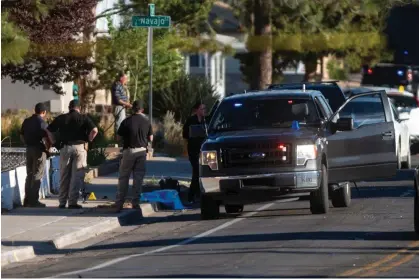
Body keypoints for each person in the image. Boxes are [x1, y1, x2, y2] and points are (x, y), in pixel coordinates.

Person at [47, 100, 98, 209]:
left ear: (69, 107)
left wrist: (54, 142)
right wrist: (89, 139)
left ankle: (62, 202)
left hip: (65, 148)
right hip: (80, 148)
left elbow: (49, 130)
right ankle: (72, 202)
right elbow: (94, 130)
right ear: (79, 108)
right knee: (77, 176)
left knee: (64, 175)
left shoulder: (62, 118)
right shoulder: (84, 118)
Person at [113, 100, 153, 212]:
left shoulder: (126, 121)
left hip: (129, 151)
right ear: (142, 110)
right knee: (138, 178)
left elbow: (118, 137)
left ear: (132, 109)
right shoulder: (147, 122)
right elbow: (151, 138)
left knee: (123, 177)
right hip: (141, 152)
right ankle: (135, 202)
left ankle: (119, 203)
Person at [20, 103, 54, 207]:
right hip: (39, 150)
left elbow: (21, 135)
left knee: (29, 174)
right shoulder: (42, 123)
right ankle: (34, 200)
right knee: (37, 175)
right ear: (43, 112)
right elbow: (48, 138)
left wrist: (26, 143)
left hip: (28, 149)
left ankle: (27, 200)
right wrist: (49, 149)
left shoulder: (26, 121)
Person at [182, 102, 207, 203]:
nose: (204, 110)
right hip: (193, 150)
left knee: (202, 172)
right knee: (197, 171)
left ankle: (198, 193)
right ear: (196, 110)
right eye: (202, 109)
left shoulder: (207, 120)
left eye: (205, 108)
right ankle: (191, 195)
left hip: (204, 150)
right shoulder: (191, 120)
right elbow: (185, 134)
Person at [111, 72, 132, 139]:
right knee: (119, 124)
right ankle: (117, 141)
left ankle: (120, 140)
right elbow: (118, 99)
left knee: (122, 124)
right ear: (121, 78)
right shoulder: (117, 85)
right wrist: (127, 104)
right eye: (125, 78)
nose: (126, 80)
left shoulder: (121, 86)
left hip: (122, 107)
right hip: (119, 107)